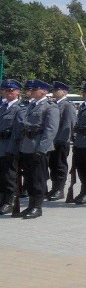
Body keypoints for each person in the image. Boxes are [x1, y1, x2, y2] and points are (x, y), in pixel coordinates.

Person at [18, 79, 59, 219]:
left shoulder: (50, 107)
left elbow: (51, 130)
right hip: (28, 146)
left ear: (43, 91)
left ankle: (37, 207)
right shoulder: (32, 105)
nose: (31, 91)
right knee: (29, 178)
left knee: (38, 178)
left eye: (35, 89)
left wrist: (41, 149)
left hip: (39, 147)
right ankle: (31, 205)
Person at [46, 81, 77, 201]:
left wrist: (64, 139)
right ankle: (54, 188)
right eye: (54, 90)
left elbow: (69, 123)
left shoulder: (67, 105)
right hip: (52, 141)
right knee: (52, 165)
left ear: (64, 92)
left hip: (61, 140)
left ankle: (59, 189)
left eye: (57, 90)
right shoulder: (53, 104)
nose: (54, 92)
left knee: (60, 165)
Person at [0, 79, 26, 215]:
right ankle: (2, 200)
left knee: (9, 177)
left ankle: (9, 202)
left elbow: (19, 131)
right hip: (1, 147)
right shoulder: (3, 107)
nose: (8, 93)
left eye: (11, 91)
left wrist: (13, 149)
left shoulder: (20, 108)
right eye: (5, 90)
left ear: (17, 92)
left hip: (9, 147)